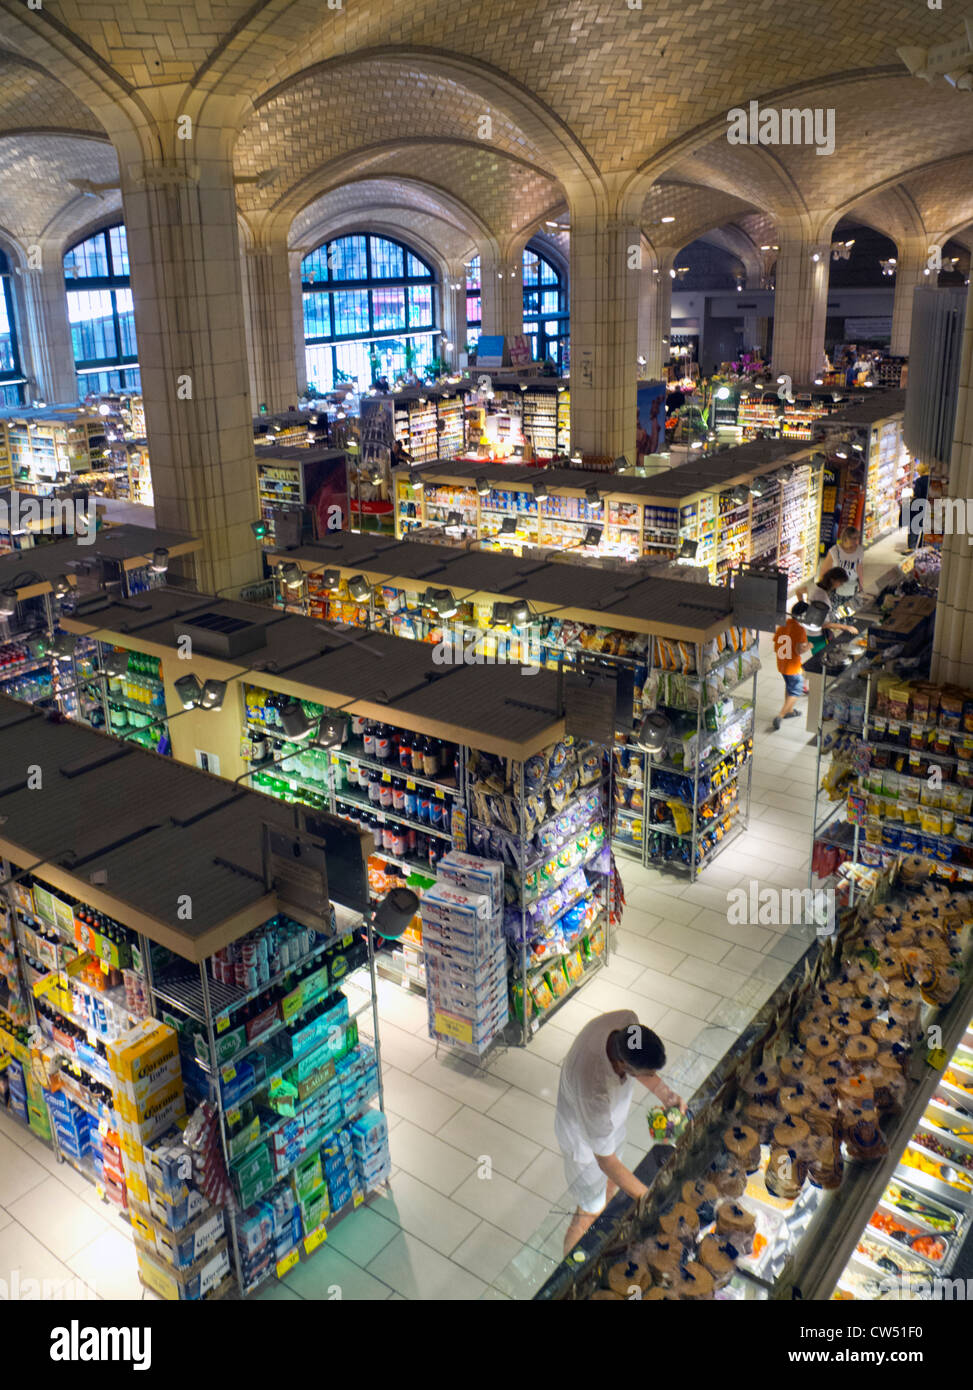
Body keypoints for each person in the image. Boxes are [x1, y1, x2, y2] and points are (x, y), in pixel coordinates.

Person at [555, 1010, 685, 1254]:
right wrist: (648, 1199)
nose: (649, 1077)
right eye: (644, 1074)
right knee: (588, 1212)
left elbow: (641, 1067)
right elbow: (606, 1162)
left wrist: (666, 1095)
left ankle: (605, 1213)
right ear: (622, 1065)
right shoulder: (592, 1086)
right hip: (584, 1146)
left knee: (610, 1187)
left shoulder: (628, 1023)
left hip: (610, 1126)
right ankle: (568, 1274)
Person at [772, 600, 811, 730]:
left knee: (789, 687)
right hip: (793, 666)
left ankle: (790, 711)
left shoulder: (783, 625)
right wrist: (809, 645)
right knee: (796, 690)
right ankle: (780, 716)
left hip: (781, 664)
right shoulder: (800, 630)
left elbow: (776, 644)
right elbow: (799, 650)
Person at [817, 526, 863, 599]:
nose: (857, 541)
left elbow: (859, 567)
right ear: (846, 538)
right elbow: (824, 570)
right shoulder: (835, 550)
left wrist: (861, 584)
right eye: (854, 538)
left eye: (857, 538)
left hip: (852, 587)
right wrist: (822, 589)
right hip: (836, 589)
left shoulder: (859, 550)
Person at [907, 464, 929, 550]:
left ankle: (911, 548)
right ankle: (921, 547)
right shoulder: (932, 480)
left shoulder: (919, 481)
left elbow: (917, 494)